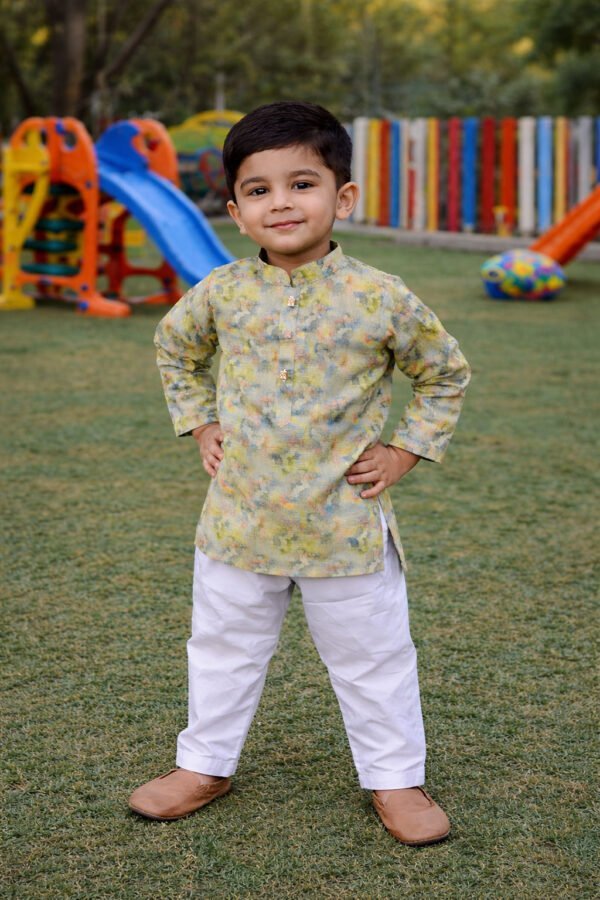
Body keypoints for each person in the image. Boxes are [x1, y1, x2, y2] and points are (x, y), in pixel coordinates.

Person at [129, 101, 471, 846]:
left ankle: (395, 778)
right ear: (236, 212)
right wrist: (200, 422)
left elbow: (444, 374)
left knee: (373, 658)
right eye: (259, 190)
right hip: (238, 520)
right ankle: (204, 765)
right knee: (221, 650)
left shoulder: (379, 295)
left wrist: (405, 451)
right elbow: (175, 349)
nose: (280, 202)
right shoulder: (222, 292)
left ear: (342, 198)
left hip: (343, 525)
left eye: (302, 184)